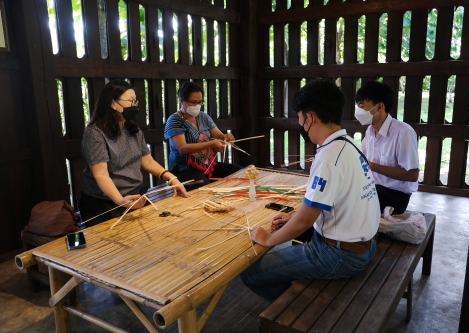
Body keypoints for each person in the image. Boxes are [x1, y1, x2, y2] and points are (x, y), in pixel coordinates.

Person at [240, 79, 380, 303]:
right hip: (365, 246)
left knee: (250, 273)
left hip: (340, 255)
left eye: (299, 117)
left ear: (311, 117)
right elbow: (322, 209)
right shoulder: (349, 144)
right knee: (295, 234)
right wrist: (293, 218)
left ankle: (293, 312)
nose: (300, 123)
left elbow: (305, 220)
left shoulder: (328, 156)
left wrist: (269, 239)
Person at [79, 79, 189, 227]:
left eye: (135, 101)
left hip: (134, 195)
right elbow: (101, 174)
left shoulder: (133, 130)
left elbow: (148, 162)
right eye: (130, 101)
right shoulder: (95, 133)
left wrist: (172, 179)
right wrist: (120, 200)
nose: (134, 106)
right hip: (103, 202)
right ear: (113, 104)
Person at [355, 81, 419, 215]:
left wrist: (372, 166)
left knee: (351, 205)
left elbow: (412, 175)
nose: (358, 112)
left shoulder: (403, 132)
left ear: (379, 107)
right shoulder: (369, 132)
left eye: (362, 107)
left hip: (395, 195)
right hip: (373, 188)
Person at [164, 81, 242, 191]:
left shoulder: (203, 117)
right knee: (203, 187)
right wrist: (211, 144)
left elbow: (219, 135)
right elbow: (182, 148)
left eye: (200, 102)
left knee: (239, 172)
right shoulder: (175, 120)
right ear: (182, 101)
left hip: (207, 167)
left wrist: (226, 137)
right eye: (193, 102)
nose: (197, 106)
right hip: (183, 170)